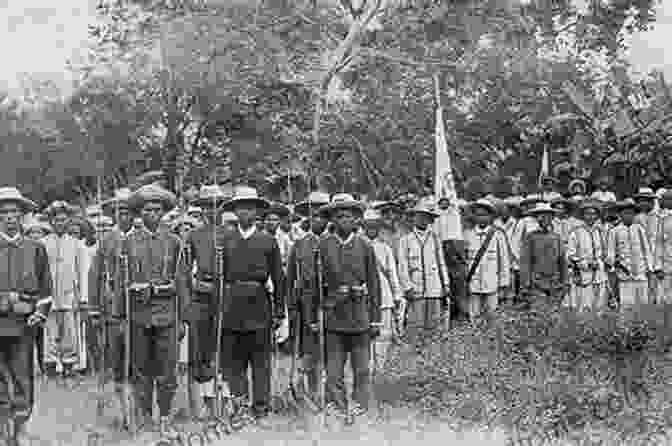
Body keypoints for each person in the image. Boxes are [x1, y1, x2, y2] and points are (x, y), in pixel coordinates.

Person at [122, 184, 188, 436]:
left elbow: (181, 282)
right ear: (139, 213)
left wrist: (183, 318)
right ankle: (144, 415)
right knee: (140, 368)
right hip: (138, 314)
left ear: (164, 212)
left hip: (167, 314)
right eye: (147, 210)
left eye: (157, 210)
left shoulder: (174, 242)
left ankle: (165, 416)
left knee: (167, 369)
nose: (153, 214)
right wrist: (120, 314)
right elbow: (121, 281)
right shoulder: (129, 242)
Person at [218, 186, 284, 427]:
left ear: (257, 211)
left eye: (250, 207)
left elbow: (278, 278)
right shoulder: (225, 240)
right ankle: (239, 406)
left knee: (260, 361)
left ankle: (261, 408)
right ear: (235, 212)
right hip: (232, 305)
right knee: (234, 362)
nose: (245, 212)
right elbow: (218, 276)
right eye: (240, 208)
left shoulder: (268, 240)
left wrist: (279, 311)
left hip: (259, 305)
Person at [317, 193, 381, 419]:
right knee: (333, 371)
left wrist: (375, 319)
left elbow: (374, 283)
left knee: (362, 368)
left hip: (360, 317)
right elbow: (315, 285)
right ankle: (336, 405)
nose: (344, 219)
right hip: (334, 317)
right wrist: (327, 302)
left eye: (349, 216)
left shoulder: (365, 245)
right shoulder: (323, 246)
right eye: (339, 215)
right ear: (332, 220)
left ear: (357, 220)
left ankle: (360, 406)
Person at [0, 187, 52, 445]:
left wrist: (40, 313)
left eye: (14, 212)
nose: (9, 217)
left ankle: (20, 427)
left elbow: (46, 290)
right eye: (4, 213)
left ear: (22, 216)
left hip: (23, 326)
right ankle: (3, 425)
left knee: (23, 378)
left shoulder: (35, 248)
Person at [88, 188, 135, 429]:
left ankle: (138, 411)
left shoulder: (141, 238)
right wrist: (95, 308)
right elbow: (95, 274)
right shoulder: (105, 241)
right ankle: (121, 412)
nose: (124, 216)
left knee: (137, 361)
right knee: (115, 360)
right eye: (120, 212)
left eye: (128, 211)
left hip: (138, 311)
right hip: (112, 311)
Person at [182, 184, 230, 420]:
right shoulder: (193, 235)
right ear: (200, 210)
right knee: (200, 350)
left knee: (223, 348)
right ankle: (202, 404)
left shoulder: (229, 234)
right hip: (201, 297)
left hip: (225, 298)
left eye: (216, 206)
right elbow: (183, 271)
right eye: (206, 207)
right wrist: (193, 288)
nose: (211, 211)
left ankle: (224, 402)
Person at [285, 194, 329, 399]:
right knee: (309, 351)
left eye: (322, 215)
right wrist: (293, 307)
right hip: (307, 307)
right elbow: (291, 279)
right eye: (314, 215)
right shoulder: (300, 244)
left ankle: (330, 395)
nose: (318, 219)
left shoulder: (334, 242)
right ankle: (310, 393)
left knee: (331, 352)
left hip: (334, 305)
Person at [41, 201, 85, 379]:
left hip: (68, 294)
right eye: (56, 220)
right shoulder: (42, 243)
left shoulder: (76, 244)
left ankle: (69, 365)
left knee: (69, 331)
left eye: (63, 220)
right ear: (51, 222)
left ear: (69, 222)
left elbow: (81, 270)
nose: (60, 224)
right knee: (50, 332)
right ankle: (50, 365)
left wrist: (82, 297)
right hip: (49, 294)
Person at [397, 198, 450, 340]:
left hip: (434, 288)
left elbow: (441, 262)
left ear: (430, 219)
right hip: (416, 288)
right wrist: (407, 287)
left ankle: (432, 355)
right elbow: (402, 266)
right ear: (413, 218)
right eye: (419, 216)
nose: (422, 219)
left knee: (434, 326)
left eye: (425, 216)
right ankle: (415, 356)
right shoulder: (405, 240)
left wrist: (445, 283)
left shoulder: (435, 239)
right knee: (415, 326)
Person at [362, 209, 402, 365]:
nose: (371, 229)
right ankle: (368, 366)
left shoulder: (385, 248)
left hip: (384, 297)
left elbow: (392, 272)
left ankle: (381, 366)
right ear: (364, 227)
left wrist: (397, 295)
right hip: (365, 297)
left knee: (383, 335)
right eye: (368, 226)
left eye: (374, 226)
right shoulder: (358, 245)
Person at [463, 199, 511, 320]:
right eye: (478, 215)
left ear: (490, 216)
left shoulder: (498, 235)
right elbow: (465, 260)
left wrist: (503, 284)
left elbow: (504, 261)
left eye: (484, 215)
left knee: (492, 317)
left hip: (492, 284)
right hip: (473, 284)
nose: (481, 218)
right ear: (474, 217)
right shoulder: (468, 234)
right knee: (474, 317)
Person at [519, 202, 569, 310]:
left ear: (552, 218)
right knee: (539, 313)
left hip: (554, 283)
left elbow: (562, 261)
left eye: (548, 216)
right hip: (536, 282)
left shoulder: (557, 237)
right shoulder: (530, 237)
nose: (544, 219)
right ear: (537, 218)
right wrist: (525, 283)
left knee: (554, 314)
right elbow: (525, 261)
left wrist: (565, 281)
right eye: (541, 216)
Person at [607, 199, 655, 309]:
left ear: (634, 215)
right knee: (626, 305)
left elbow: (646, 250)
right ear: (620, 215)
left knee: (642, 305)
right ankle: (626, 326)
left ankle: (642, 326)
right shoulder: (614, 231)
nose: (628, 216)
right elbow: (611, 253)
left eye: (631, 213)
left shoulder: (639, 229)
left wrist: (650, 268)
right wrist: (614, 266)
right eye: (625, 213)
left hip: (641, 273)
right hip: (624, 275)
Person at [566, 199, 608, 311]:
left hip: (599, 274)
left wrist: (601, 262)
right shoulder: (576, 232)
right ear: (583, 216)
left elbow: (604, 252)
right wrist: (585, 264)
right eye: (588, 214)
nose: (591, 216)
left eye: (594, 214)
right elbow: (570, 256)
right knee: (585, 306)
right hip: (583, 275)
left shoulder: (600, 231)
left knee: (599, 306)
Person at [634, 187, 661, 302]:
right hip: (640, 258)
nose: (644, 203)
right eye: (641, 201)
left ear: (652, 202)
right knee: (643, 291)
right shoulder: (635, 219)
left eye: (647, 200)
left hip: (657, 257)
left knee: (658, 290)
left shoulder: (659, 217)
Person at [653, 190, 672, 301]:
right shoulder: (661, 217)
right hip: (665, 266)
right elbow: (658, 243)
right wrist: (658, 267)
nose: (668, 201)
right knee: (664, 299)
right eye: (667, 199)